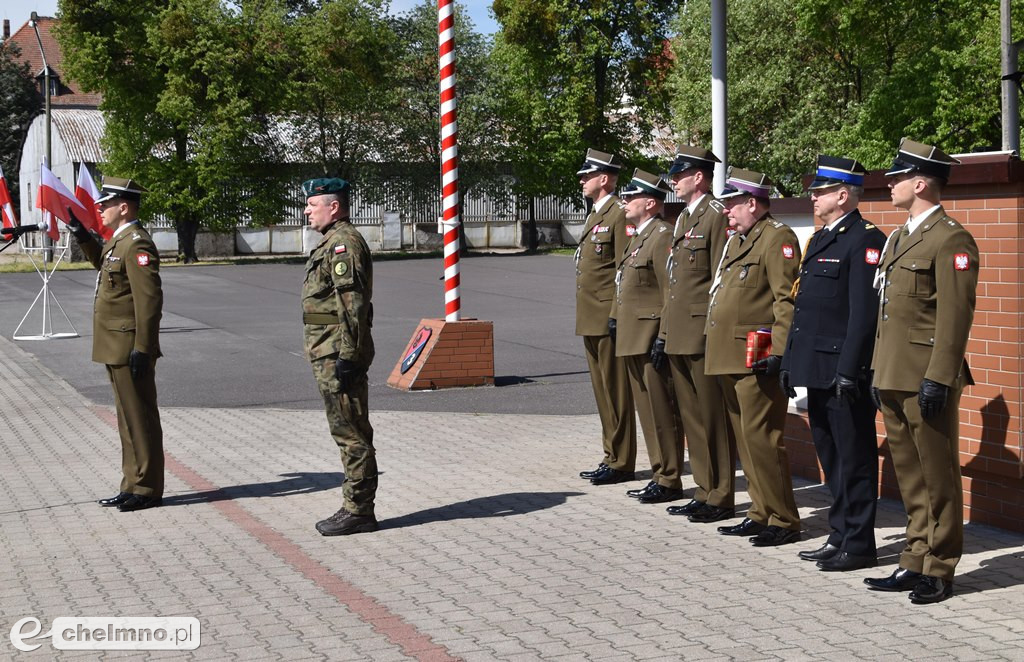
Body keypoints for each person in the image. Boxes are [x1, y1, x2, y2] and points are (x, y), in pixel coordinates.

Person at [864, 139, 978, 604]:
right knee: (908, 474)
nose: (888, 184)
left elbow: (955, 314)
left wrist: (939, 375)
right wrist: (876, 370)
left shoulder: (951, 237)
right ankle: (914, 557)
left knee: (937, 474)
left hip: (925, 373)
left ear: (920, 182)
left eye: (896, 177)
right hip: (891, 371)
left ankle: (940, 565)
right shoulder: (898, 235)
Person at [780, 155, 885, 570]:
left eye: (820, 191)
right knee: (831, 457)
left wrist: (849, 370)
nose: (813, 197)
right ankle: (839, 533)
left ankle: (859, 544)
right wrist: (790, 361)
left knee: (854, 458)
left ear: (843, 195)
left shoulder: (865, 239)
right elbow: (803, 307)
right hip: (817, 369)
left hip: (844, 372)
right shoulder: (822, 238)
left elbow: (863, 315)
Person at [705, 167, 802, 546]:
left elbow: (786, 300)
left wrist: (779, 351)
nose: (727, 211)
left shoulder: (777, 239)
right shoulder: (739, 240)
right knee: (747, 440)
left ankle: (784, 519)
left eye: (732, 204)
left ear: (752, 203)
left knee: (763, 439)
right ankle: (760, 512)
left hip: (755, 358)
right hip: (728, 354)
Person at [69, 177, 164, 512]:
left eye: (106, 204)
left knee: (141, 418)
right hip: (116, 343)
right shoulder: (118, 241)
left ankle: (149, 487)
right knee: (127, 419)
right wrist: (83, 236)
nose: (100, 209)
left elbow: (148, 300)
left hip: (129, 344)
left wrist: (144, 347)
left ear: (123, 208)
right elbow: (103, 268)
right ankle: (133, 483)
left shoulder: (137, 243)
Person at [659, 147, 736, 523]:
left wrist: (712, 331)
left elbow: (719, 279)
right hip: (679, 329)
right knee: (692, 416)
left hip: (702, 330)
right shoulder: (684, 218)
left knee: (711, 417)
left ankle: (721, 495)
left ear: (699, 177)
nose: (674, 180)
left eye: (680, 173)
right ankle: (704, 490)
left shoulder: (716, 215)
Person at [301, 177, 378, 536]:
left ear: (334, 206)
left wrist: (349, 355)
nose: (306, 210)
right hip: (326, 349)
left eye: (312, 204)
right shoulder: (331, 242)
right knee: (344, 428)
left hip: (337, 352)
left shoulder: (343, 244)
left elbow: (352, 305)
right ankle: (354, 505)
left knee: (351, 432)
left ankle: (358, 509)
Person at [610, 169, 683, 504]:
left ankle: (669, 477)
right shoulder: (641, 235)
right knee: (647, 411)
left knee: (661, 411)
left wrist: (663, 335)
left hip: (650, 334)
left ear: (651, 203)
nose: (625, 201)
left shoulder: (661, 235)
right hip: (633, 335)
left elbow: (670, 291)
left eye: (631, 197)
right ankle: (659, 473)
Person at [574, 149, 637, 486]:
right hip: (590, 315)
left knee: (616, 391)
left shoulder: (618, 214)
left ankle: (622, 459)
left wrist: (616, 315)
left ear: (606, 178)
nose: (582, 180)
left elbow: (621, 270)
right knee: (602, 391)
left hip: (607, 316)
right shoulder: (596, 213)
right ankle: (611, 454)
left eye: (589, 175)